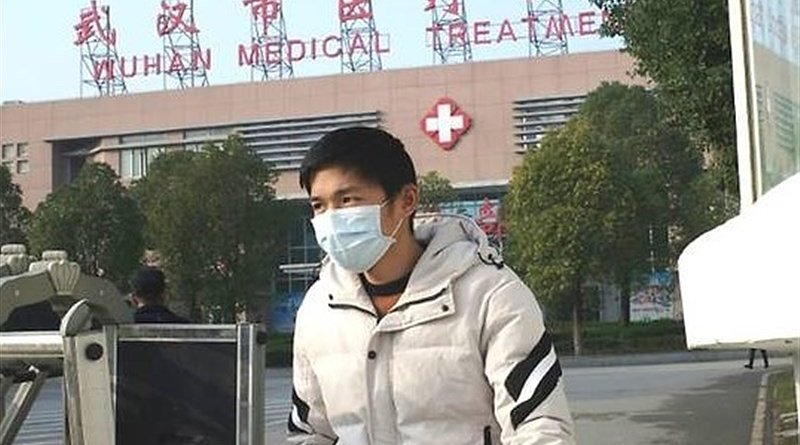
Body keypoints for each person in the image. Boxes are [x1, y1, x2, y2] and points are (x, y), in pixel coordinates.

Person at [288, 127, 575, 444]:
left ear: (406, 200)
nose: (332, 219)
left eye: (347, 200)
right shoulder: (317, 309)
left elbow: (539, 427)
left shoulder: (490, 294)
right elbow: (311, 432)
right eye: (319, 206)